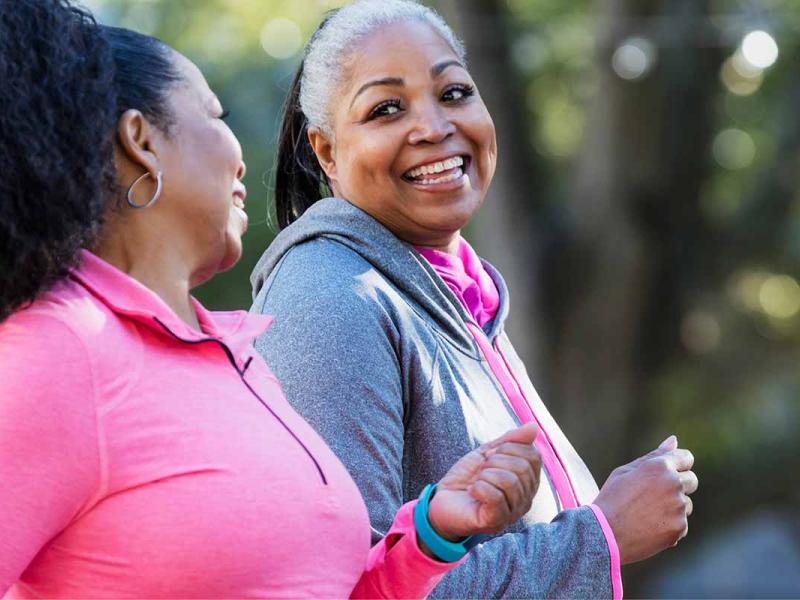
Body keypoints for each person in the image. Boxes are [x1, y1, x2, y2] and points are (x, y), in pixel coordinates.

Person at [0, 1, 543, 596]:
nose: (239, 151)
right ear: (141, 142)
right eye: (216, 113)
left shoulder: (235, 358)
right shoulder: (61, 352)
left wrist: (432, 534)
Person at [251, 1, 699, 598]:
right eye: (386, 108)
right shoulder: (330, 295)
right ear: (328, 152)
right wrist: (603, 534)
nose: (435, 127)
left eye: (454, 92)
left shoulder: (457, 292)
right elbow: (347, 586)